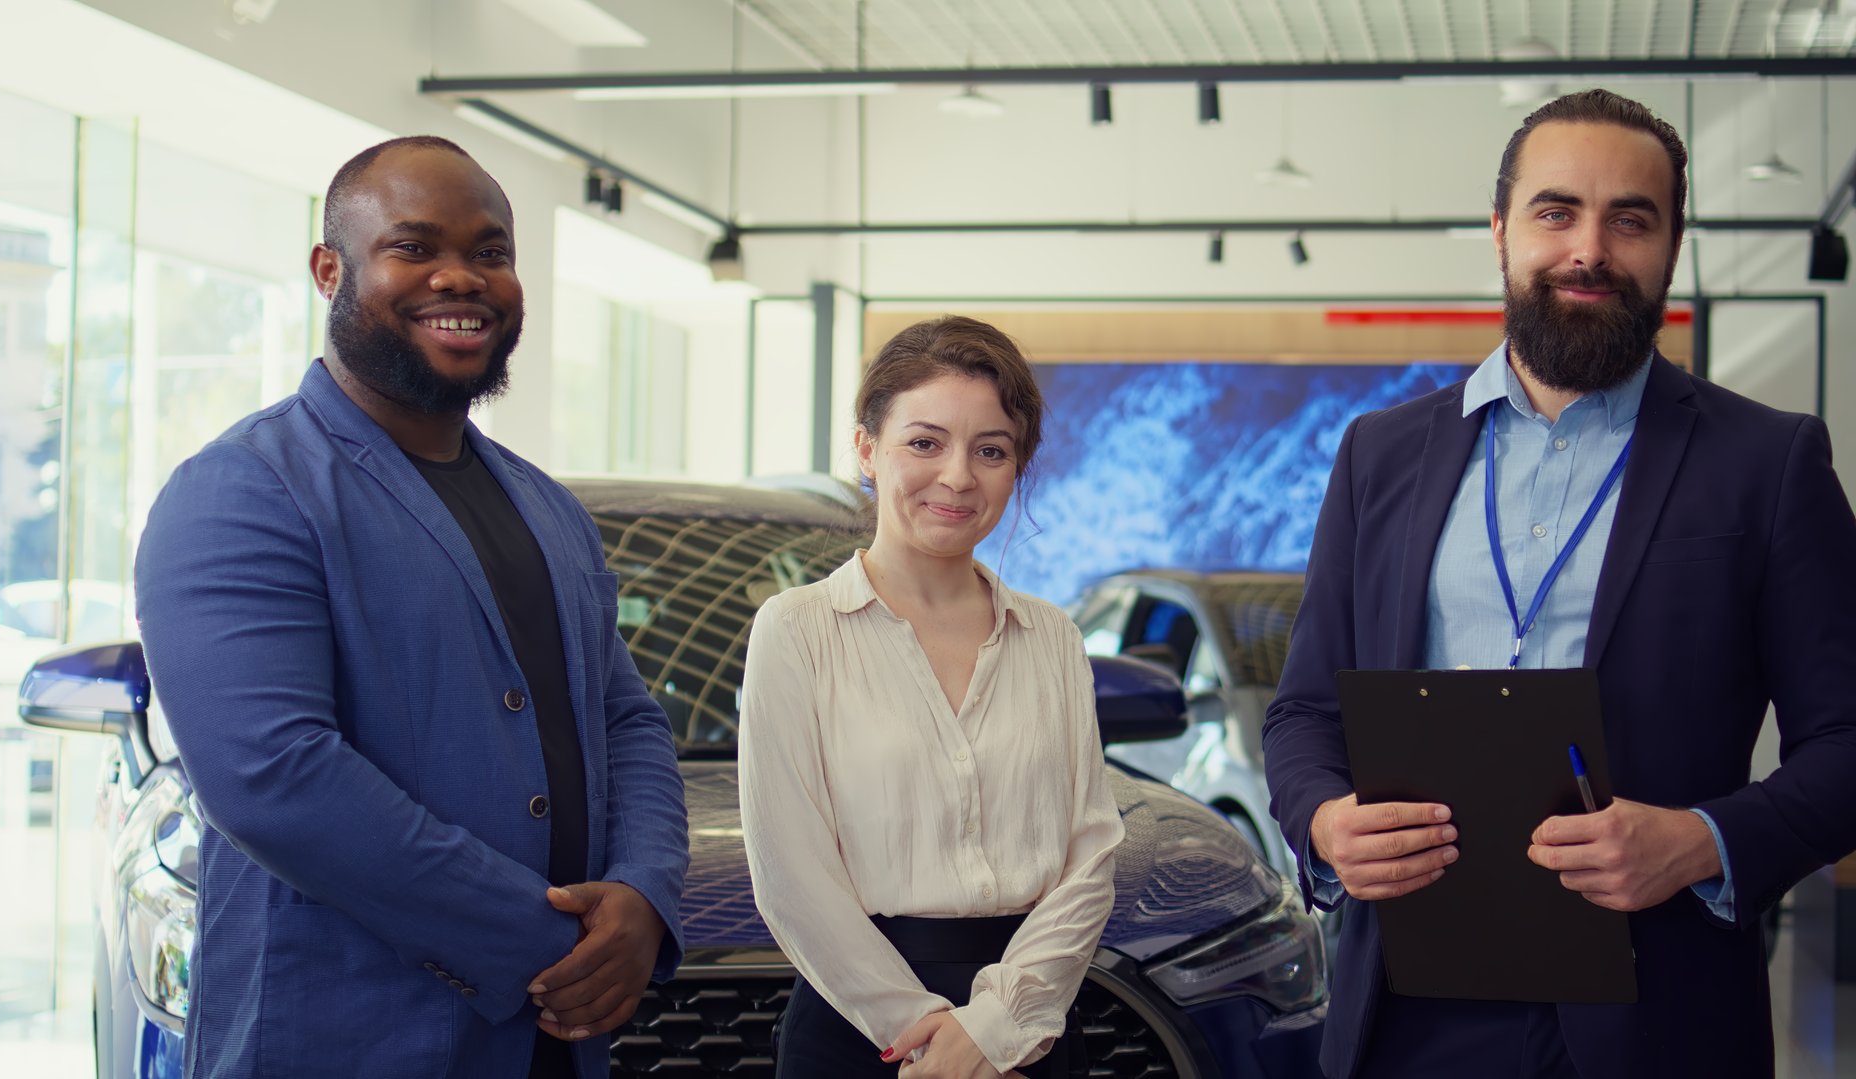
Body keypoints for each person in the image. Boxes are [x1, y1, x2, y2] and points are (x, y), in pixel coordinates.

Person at [1262, 89, 1856, 1079]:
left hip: (1658, 1007)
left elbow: (1846, 739)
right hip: (1406, 1005)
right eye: (1555, 211)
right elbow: (1304, 714)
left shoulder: (1770, 460)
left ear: (1672, 244)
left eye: (1632, 218)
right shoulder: (1381, 454)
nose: (1590, 247)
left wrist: (1702, 839)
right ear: (1501, 232)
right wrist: (1325, 821)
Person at [133, 136, 690, 1079]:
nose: (460, 278)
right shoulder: (242, 490)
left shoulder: (547, 506)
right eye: (416, 247)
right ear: (330, 270)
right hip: (346, 1036)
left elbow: (624, 717)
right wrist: (543, 938)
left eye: (491, 252)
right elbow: (274, 777)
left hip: (555, 1051)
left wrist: (642, 897)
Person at [737, 316, 1123, 1079]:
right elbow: (791, 873)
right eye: (925, 442)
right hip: (862, 1027)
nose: (957, 476)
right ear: (866, 448)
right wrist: (926, 1034)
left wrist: (994, 1030)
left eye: (991, 450)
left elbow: (1092, 854)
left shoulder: (1051, 636)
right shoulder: (798, 630)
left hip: (1030, 1026)